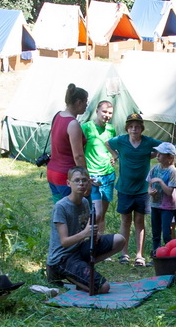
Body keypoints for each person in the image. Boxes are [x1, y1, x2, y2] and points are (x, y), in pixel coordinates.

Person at [47, 167, 126, 293]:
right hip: (62, 257)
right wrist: (85, 233)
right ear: (68, 183)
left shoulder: (84, 202)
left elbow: (87, 226)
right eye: (77, 180)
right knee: (104, 287)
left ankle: (83, 268)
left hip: (79, 248)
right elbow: (64, 242)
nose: (81, 184)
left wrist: (95, 234)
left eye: (84, 180)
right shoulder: (61, 207)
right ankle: (62, 273)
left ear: (89, 182)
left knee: (119, 240)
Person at [107, 112, 162, 267]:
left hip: (142, 189)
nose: (134, 129)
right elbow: (107, 143)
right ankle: (124, 254)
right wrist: (116, 155)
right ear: (127, 128)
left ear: (142, 128)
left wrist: (152, 155)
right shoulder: (121, 140)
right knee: (125, 220)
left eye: (137, 127)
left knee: (139, 221)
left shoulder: (148, 142)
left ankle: (139, 255)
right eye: (131, 126)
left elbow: (164, 146)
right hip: (124, 188)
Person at [47, 84, 89, 201]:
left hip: (52, 172)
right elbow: (78, 156)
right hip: (67, 175)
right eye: (86, 102)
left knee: (60, 209)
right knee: (77, 210)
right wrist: (86, 179)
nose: (86, 105)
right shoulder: (73, 124)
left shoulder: (58, 115)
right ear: (78, 102)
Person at [80, 100, 117, 229]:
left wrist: (113, 156)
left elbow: (112, 147)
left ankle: (99, 238)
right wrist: (85, 174)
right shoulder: (86, 128)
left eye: (110, 113)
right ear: (97, 111)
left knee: (102, 214)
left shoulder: (111, 129)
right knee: (95, 214)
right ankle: (87, 236)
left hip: (108, 175)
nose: (107, 115)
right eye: (104, 112)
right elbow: (79, 151)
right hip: (93, 176)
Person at [147, 143, 176, 254]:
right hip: (155, 205)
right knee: (155, 233)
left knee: (166, 233)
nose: (157, 155)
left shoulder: (172, 171)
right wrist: (150, 191)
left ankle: (169, 253)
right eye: (158, 153)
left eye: (161, 154)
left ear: (169, 157)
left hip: (167, 207)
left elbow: (169, 192)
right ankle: (157, 253)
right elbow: (149, 184)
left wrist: (160, 181)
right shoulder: (155, 169)